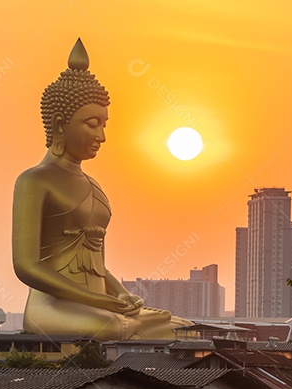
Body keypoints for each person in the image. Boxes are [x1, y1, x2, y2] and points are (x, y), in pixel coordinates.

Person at [12, 39, 191, 341]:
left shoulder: (93, 186)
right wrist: (98, 302)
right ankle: (123, 326)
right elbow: (27, 266)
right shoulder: (34, 181)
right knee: (113, 327)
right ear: (59, 125)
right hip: (53, 306)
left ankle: (129, 323)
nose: (102, 136)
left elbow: (98, 265)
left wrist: (122, 294)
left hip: (101, 306)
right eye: (92, 124)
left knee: (184, 329)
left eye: (104, 124)